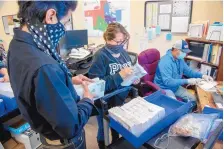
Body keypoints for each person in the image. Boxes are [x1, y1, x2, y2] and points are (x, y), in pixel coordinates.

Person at [8, 1, 96, 148]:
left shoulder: (17, 45)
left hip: (46, 132)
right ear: (50, 16)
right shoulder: (45, 67)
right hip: (65, 142)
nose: (65, 28)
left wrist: (67, 80)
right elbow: (71, 127)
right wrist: (87, 100)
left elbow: (36, 87)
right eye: (66, 21)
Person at [88, 22, 139, 149]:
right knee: (103, 128)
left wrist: (133, 78)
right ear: (107, 39)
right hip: (104, 101)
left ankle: (115, 143)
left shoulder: (123, 52)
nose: (120, 45)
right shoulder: (100, 56)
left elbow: (128, 71)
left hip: (119, 98)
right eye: (117, 42)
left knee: (116, 126)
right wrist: (120, 75)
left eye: (122, 41)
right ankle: (102, 145)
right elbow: (95, 87)